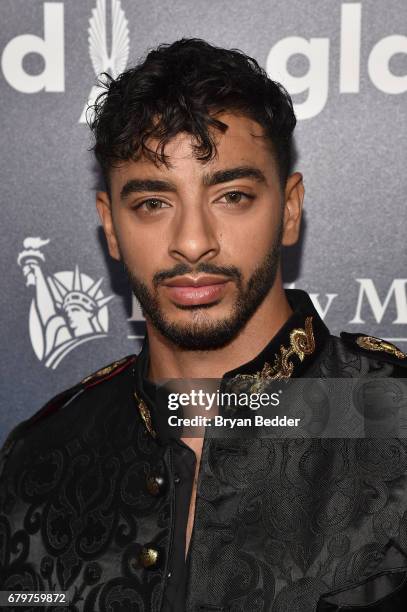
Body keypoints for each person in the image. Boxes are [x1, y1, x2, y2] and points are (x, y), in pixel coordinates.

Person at [1, 38, 407, 612]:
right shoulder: (37, 462)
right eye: (151, 204)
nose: (192, 242)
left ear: (289, 209)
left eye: (232, 195)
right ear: (109, 225)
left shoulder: (393, 419)